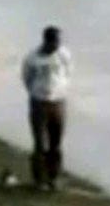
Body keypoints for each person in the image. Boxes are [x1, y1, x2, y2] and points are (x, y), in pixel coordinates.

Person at [22, 26, 74, 191]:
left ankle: (54, 177)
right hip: (39, 103)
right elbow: (27, 78)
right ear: (47, 41)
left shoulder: (64, 54)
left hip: (58, 102)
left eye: (59, 42)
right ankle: (39, 179)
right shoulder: (33, 58)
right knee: (39, 143)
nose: (57, 46)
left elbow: (68, 72)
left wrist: (61, 89)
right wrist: (37, 92)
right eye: (54, 42)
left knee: (56, 142)